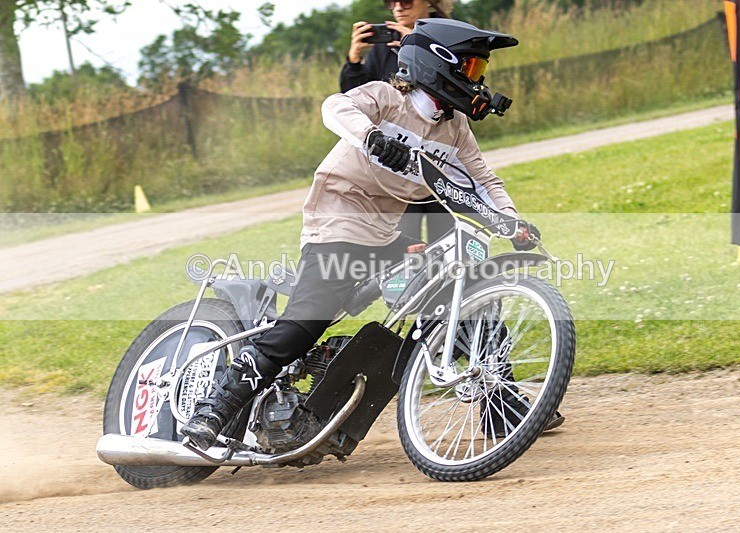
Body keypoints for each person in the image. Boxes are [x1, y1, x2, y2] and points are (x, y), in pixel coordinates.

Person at [182, 19, 561, 451]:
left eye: (479, 73)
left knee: (449, 281)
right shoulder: (386, 97)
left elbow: (484, 181)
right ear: (439, 64)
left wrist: (512, 220)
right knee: (306, 321)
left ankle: (500, 400)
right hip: (338, 218)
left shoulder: (455, 128)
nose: (477, 82)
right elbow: (334, 107)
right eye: (472, 69)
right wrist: (372, 137)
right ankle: (214, 408)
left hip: (383, 232)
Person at [341, 0, 454, 244]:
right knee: (405, 248)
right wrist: (354, 60)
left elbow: (456, 85)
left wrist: (418, 45)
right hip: (398, 162)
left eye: (406, 1)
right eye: (391, 2)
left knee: (448, 246)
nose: (398, 8)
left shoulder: (449, 34)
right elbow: (356, 101)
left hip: (441, 160)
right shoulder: (384, 48)